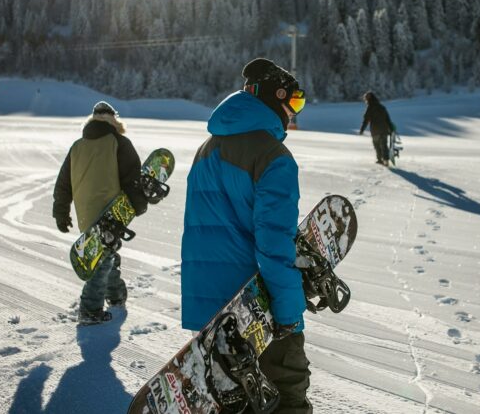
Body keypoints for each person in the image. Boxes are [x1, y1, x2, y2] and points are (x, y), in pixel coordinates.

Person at [181, 58, 310, 414]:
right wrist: (288, 314)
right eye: (294, 102)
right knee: (287, 396)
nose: (294, 112)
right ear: (275, 97)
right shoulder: (274, 157)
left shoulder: (206, 148)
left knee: (234, 404)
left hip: (209, 310)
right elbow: (274, 244)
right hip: (256, 310)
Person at [53, 101, 149, 326]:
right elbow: (132, 179)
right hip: (111, 212)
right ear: (115, 120)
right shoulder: (119, 142)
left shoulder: (77, 146)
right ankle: (89, 309)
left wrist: (61, 212)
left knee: (106, 254)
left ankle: (116, 296)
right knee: (102, 260)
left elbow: (63, 183)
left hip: (85, 213)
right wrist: (139, 204)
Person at [359, 91, 396, 166]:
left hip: (375, 130)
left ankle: (380, 159)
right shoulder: (382, 107)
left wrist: (362, 130)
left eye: (366, 99)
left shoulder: (370, 108)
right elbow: (387, 119)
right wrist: (391, 129)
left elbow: (366, 120)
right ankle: (386, 160)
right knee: (384, 145)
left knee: (377, 145)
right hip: (384, 130)